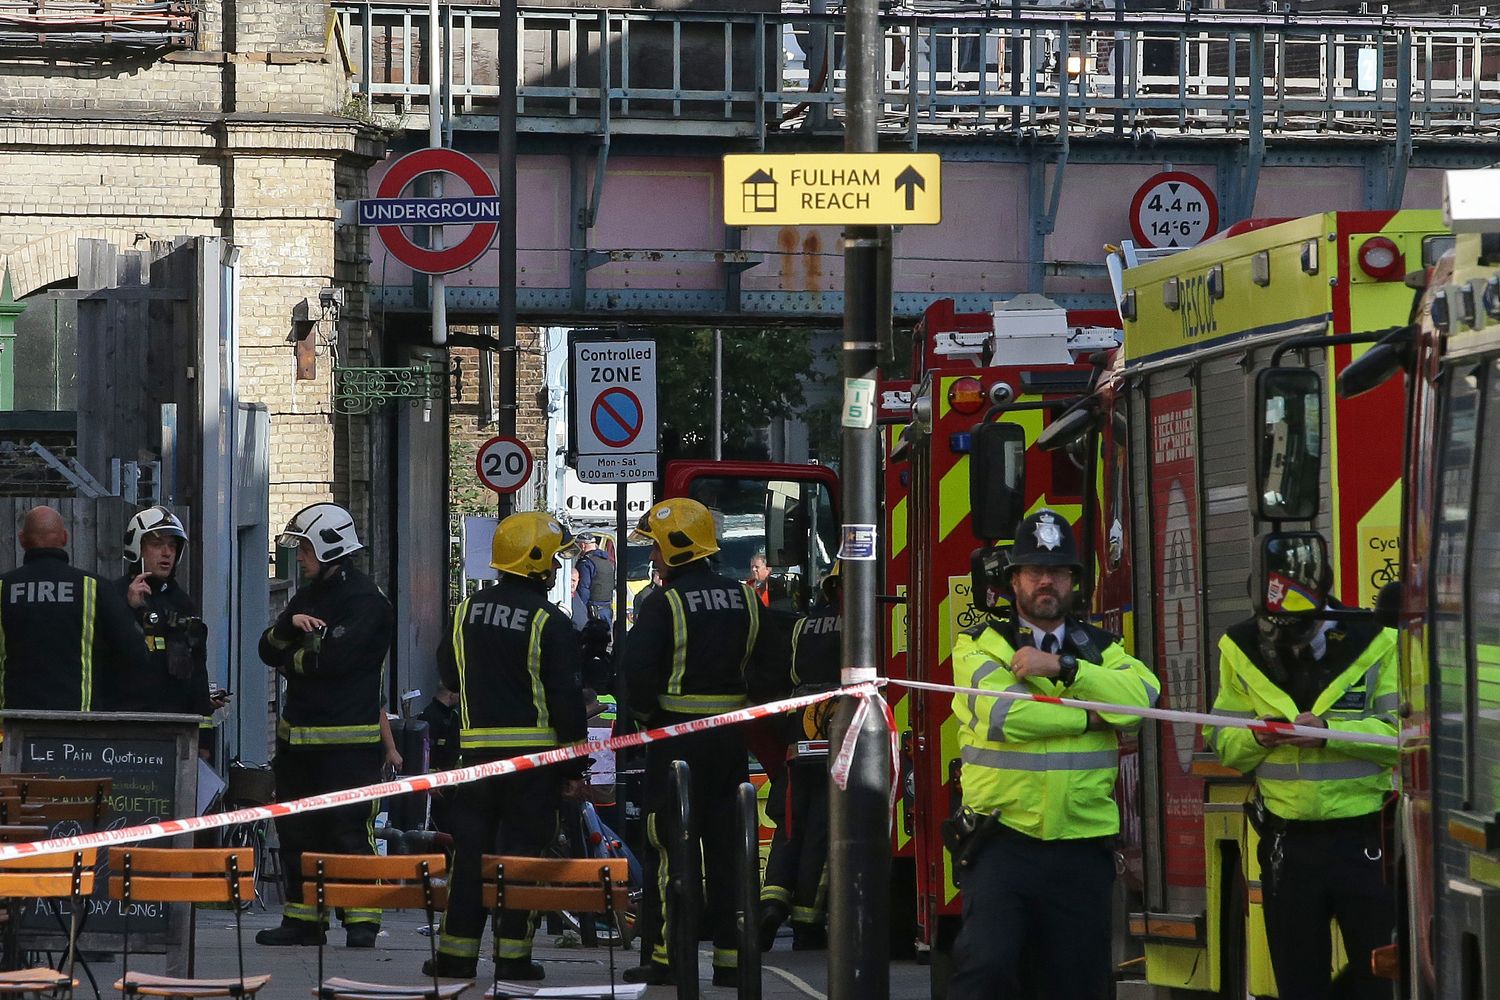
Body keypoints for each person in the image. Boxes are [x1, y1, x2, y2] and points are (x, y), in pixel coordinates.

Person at [948, 509, 1159, 1000]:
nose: (1046, 581)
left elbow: (1144, 699)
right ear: (1014, 580)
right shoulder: (980, 646)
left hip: (1081, 847)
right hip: (1002, 841)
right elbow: (1007, 716)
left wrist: (1064, 668)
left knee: (1077, 985)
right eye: (1034, 571)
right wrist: (1091, 717)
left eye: (1058, 571)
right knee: (986, 969)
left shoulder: (1101, 649)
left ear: (1074, 582)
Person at [1204, 541, 1398, 1000]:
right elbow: (1223, 741)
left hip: (1365, 838)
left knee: (1379, 983)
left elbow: (1404, 736)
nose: (1286, 643)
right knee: (1298, 984)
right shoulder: (1241, 647)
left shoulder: (1377, 642)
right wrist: (1256, 738)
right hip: (1286, 844)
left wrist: (1328, 733)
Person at [424, 511, 587, 982]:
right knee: (520, 859)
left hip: (475, 763)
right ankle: (513, 958)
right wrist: (573, 768)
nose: (556, 567)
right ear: (535, 561)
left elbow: (450, 675)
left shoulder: (465, 612)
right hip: (533, 767)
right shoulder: (550, 622)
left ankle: (455, 956)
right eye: (553, 559)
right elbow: (566, 702)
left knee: (470, 856)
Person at [620, 498, 773, 989]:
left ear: (678, 547)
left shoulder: (662, 604)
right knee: (730, 851)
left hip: (675, 747)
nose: (653, 557)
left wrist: (648, 720)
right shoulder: (747, 599)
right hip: (729, 745)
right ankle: (732, 962)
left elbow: (637, 675)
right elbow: (766, 669)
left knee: (671, 850)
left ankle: (669, 958)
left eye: (656, 548)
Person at [256, 502, 393, 949]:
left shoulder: (366, 602)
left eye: (306, 549)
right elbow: (267, 650)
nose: (299, 557)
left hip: (347, 746)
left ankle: (362, 920)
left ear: (330, 547)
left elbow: (330, 662)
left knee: (347, 830)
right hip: (297, 745)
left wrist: (292, 658)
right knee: (297, 833)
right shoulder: (308, 597)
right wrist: (288, 626)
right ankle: (304, 920)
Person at [752, 563, 840, 952]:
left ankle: (772, 902)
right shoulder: (863, 623)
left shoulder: (802, 626)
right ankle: (807, 923)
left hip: (799, 734)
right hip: (841, 732)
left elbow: (784, 678)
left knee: (789, 824)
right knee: (824, 828)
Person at [0, 505, 148, 711]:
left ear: (22, 540)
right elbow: (135, 652)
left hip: (12, 721)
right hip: (77, 722)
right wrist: (133, 611)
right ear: (65, 538)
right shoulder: (94, 587)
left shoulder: (3, 587)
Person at [113, 506, 228, 733]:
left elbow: (197, 671)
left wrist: (204, 738)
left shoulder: (182, 603)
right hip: (127, 726)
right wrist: (129, 609)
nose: (167, 553)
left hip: (174, 728)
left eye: (172, 546)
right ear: (137, 547)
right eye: (157, 544)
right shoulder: (114, 595)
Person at [416, 681, 461, 834]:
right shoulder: (430, 717)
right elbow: (424, 754)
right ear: (451, 694)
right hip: (436, 788)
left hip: (450, 784)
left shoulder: (453, 716)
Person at [575, 532, 616, 625]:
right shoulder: (606, 561)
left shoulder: (586, 563)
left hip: (593, 610)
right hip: (607, 608)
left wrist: (581, 609)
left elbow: (583, 589)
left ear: (582, 545)